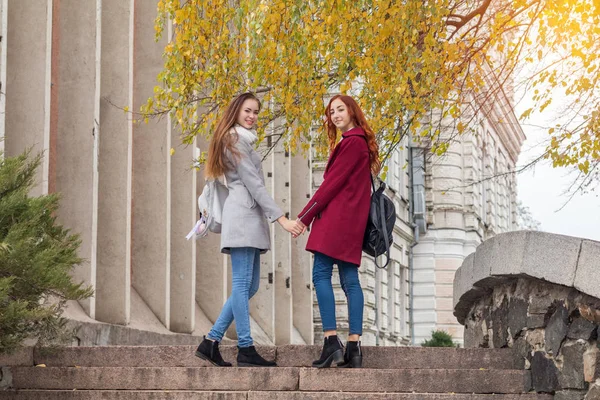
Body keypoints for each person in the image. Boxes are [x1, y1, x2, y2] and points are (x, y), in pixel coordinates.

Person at [195, 92, 303, 367]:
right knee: (242, 285)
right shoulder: (234, 141)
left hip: (248, 216)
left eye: (256, 112)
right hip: (242, 216)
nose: (252, 116)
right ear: (236, 112)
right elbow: (253, 183)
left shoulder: (241, 140)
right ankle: (245, 347)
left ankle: (211, 341)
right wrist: (281, 219)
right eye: (248, 111)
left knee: (250, 285)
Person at [296, 95, 381, 369]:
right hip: (352, 223)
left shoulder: (351, 143)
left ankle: (331, 341)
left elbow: (330, 186)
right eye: (331, 111)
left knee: (320, 273)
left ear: (352, 111)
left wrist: (304, 217)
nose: (334, 115)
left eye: (340, 109)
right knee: (350, 280)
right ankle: (354, 347)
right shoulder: (361, 143)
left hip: (336, 220)